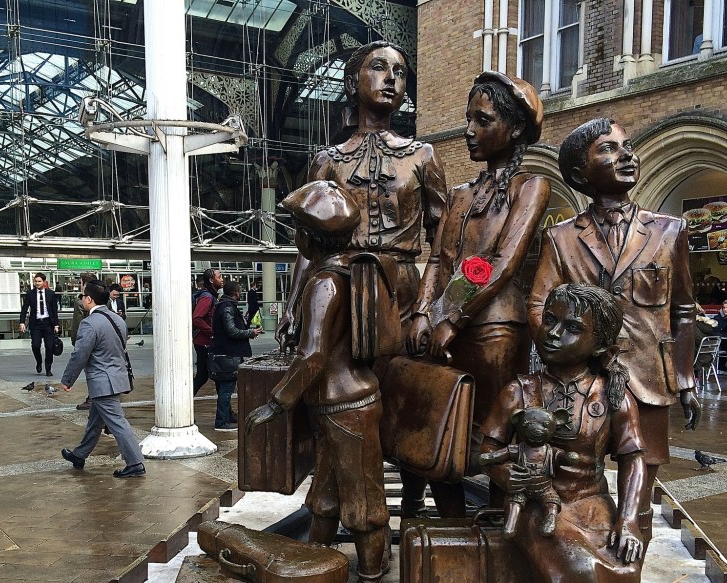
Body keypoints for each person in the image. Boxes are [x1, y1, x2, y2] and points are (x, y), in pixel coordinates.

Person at [481, 283, 657, 583]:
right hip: (539, 504)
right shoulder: (521, 390)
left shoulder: (612, 393)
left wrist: (631, 519)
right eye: (551, 321)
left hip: (593, 502)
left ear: (599, 345)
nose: (554, 333)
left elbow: (634, 457)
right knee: (577, 566)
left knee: (623, 562)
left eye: (572, 328)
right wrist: (506, 479)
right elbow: (487, 448)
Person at [528, 117, 700, 572]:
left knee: (638, 497)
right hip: (578, 385)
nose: (626, 154)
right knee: (572, 485)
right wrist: (557, 355)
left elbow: (683, 311)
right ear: (581, 174)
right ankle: (577, 574)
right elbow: (539, 305)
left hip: (647, 380)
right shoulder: (561, 238)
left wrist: (685, 379)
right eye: (608, 149)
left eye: (627, 146)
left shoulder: (669, 230)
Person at [405, 71, 549, 518]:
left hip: (496, 333)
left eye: (482, 120)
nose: (469, 130)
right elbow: (438, 260)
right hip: (449, 329)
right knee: (439, 427)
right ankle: (451, 524)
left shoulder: (531, 187)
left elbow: (503, 262)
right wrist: (423, 313)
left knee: (497, 434)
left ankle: (501, 525)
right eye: (468, 119)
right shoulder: (460, 194)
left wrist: (452, 319)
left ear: (517, 128)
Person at [246, 180, 389, 583]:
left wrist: (277, 402)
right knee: (324, 499)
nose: (295, 237)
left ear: (309, 238)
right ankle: (313, 574)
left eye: (296, 229)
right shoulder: (348, 271)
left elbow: (312, 355)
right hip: (340, 406)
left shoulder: (325, 282)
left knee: (363, 505)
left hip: (346, 406)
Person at [276, 40, 447, 349]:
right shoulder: (327, 161)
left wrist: (428, 309)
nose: (392, 79)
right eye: (379, 67)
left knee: (402, 381)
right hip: (340, 284)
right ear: (353, 82)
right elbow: (308, 247)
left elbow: (442, 244)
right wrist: (293, 307)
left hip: (402, 290)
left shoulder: (423, 155)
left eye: (400, 72)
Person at [60, 280, 146, 478]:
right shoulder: (118, 320)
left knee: (117, 423)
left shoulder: (89, 323)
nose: (82, 299)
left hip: (102, 381)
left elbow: (80, 354)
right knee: (95, 421)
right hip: (117, 377)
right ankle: (79, 455)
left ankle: (135, 463)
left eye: (83, 295)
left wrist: (68, 380)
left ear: (89, 299)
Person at [210, 280, 261, 430]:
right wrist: (250, 332)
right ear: (237, 292)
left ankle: (227, 415)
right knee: (226, 389)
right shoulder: (227, 307)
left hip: (222, 353)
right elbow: (231, 331)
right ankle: (221, 421)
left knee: (224, 388)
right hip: (228, 355)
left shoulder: (223, 306)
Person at [18, 272, 60, 376]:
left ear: (44, 282)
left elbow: (54, 310)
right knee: (36, 345)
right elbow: (24, 309)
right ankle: (39, 361)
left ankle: (48, 368)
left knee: (49, 347)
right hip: (36, 323)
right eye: (35, 281)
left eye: (39, 281)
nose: (37, 283)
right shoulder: (30, 294)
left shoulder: (51, 294)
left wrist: (56, 324)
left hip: (48, 323)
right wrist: (22, 322)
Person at [70, 272, 99, 411]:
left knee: (90, 371)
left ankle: (92, 398)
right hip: (103, 340)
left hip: (87, 340)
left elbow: (78, 323)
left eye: (81, 283)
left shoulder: (81, 301)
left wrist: (75, 341)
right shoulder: (102, 298)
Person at [192, 268, 223, 395]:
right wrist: (212, 332)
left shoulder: (209, 296)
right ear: (211, 280)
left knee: (205, 376)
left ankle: (225, 410)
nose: (222, 280)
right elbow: (197, 318)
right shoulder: (208, 298)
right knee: (209, 375)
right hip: (204, 342)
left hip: (203, 341)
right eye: (219, 277)